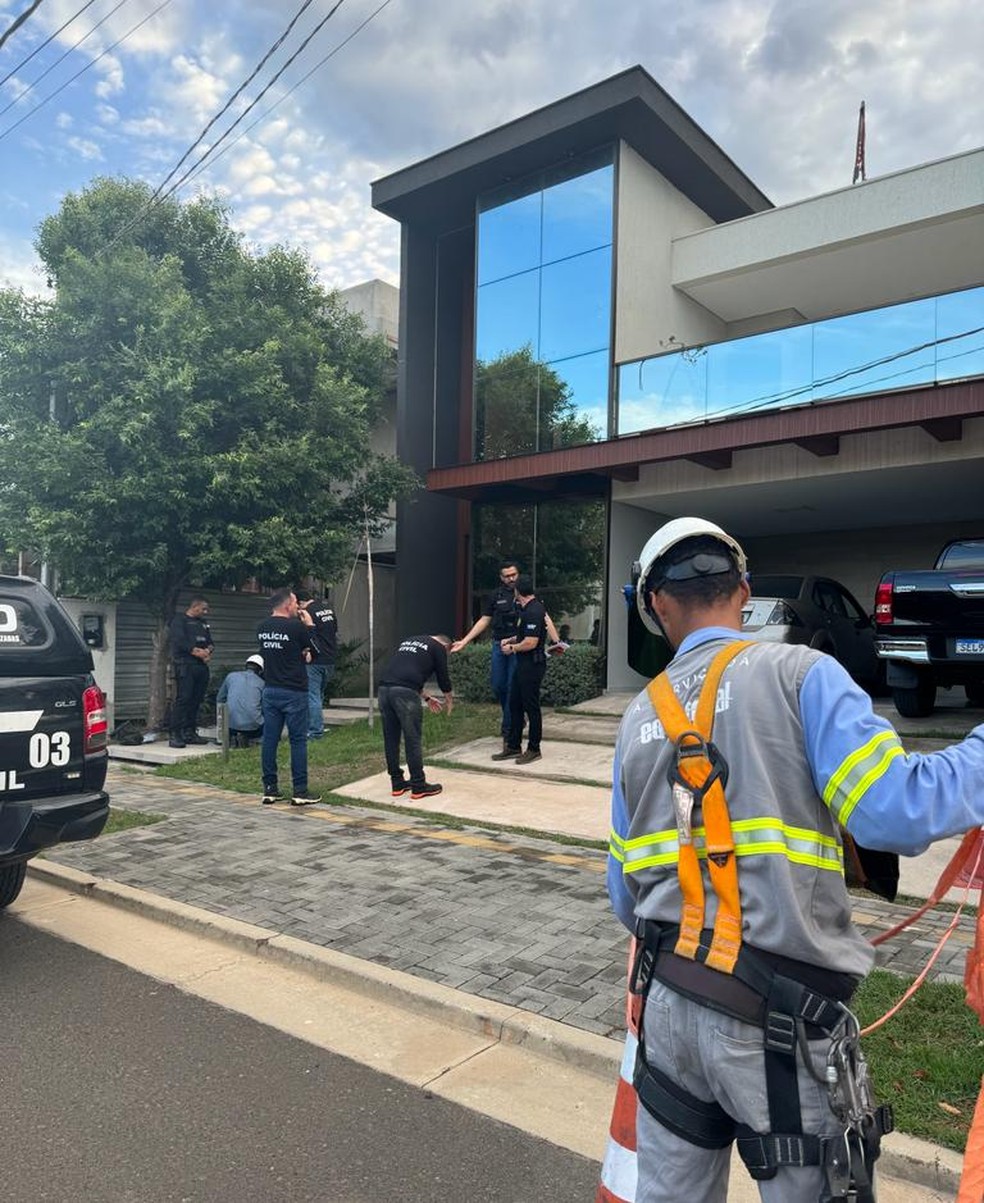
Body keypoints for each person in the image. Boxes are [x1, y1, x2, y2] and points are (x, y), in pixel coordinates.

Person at [607, 516, 984, 1203]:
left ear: (655, 604)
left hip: (668, 1011)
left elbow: (626, 896)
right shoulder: (803, 675)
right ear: (743, 590)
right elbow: (893, 811)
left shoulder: (636, 719)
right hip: (779, 1020)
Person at [451, 560, 558, 753]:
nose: (511, 578)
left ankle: (509, 734)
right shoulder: (496, 595)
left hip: (519, 648)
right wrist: (465, 641)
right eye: (507, 576)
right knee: (499, 685)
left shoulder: (527, 597)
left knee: (512, 689)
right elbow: (484, 620)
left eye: (514, 575)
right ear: (501, 578)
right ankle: (516, 720)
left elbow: (544, 618)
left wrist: (556, 641)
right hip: (500, 644)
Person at [255, 588, 320, 806]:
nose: (297, 606)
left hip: (271, 689)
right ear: (286, 605)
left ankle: (270, 788)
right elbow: (314, 650)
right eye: (294, 603)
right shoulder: (295, 626)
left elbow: (281, 651)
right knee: (298, 740)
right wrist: (309, 624)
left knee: (270, 740)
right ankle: (300, 790)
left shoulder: (262, 627)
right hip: (294, 690)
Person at [377, 634, 454, 800]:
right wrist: (449, 699)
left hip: (384, 690)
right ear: (446, 647)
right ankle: (419, 786)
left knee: (391, 739)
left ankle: (397, 783)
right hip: (404, 694)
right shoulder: (438, 647)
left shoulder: (409, 640)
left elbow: (405, 672)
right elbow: (443, 675)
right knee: (412, 738)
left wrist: (426, 697)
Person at [491, 575, 547, 765]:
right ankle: (514, 745)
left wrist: (512, 648)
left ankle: (534, 748)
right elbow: (525, 635)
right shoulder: (524, 610)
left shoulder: (534, 610)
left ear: (518, 592)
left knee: (531, 706)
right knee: (514, 703)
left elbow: (531, 642)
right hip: (521, 664)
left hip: (532, 665)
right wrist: (513, 640)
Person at [168, 596, 213, 748]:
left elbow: (210, 642)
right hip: (185, 664)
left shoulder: (203, 623)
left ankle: (190, 731)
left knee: (196, 699)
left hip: (201, 666)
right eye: (203, 609)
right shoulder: (180, 620)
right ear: (194, 607)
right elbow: (179, 641)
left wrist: (207, 651)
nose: (205, 612)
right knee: (184, 699)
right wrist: (195, 652)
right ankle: (175, 733)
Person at [297, 589, 338, 740]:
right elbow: (334, 632)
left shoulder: (306, 613)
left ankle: (315, 731)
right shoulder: (328, 609)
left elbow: (306, 636)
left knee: (312, 696)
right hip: (330, 659)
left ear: (300, 603)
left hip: (314, 660)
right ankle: (317, 724)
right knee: (319, 695)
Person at [216, 654, 265, 747]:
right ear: (261, 671)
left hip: (229, 725)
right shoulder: (262, 683)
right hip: (253, 727)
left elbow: (220, 699)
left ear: (245, 666)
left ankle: (227, 736)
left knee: (224, 711)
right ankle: (250, 738)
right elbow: (264, 706)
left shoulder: (231, 676)